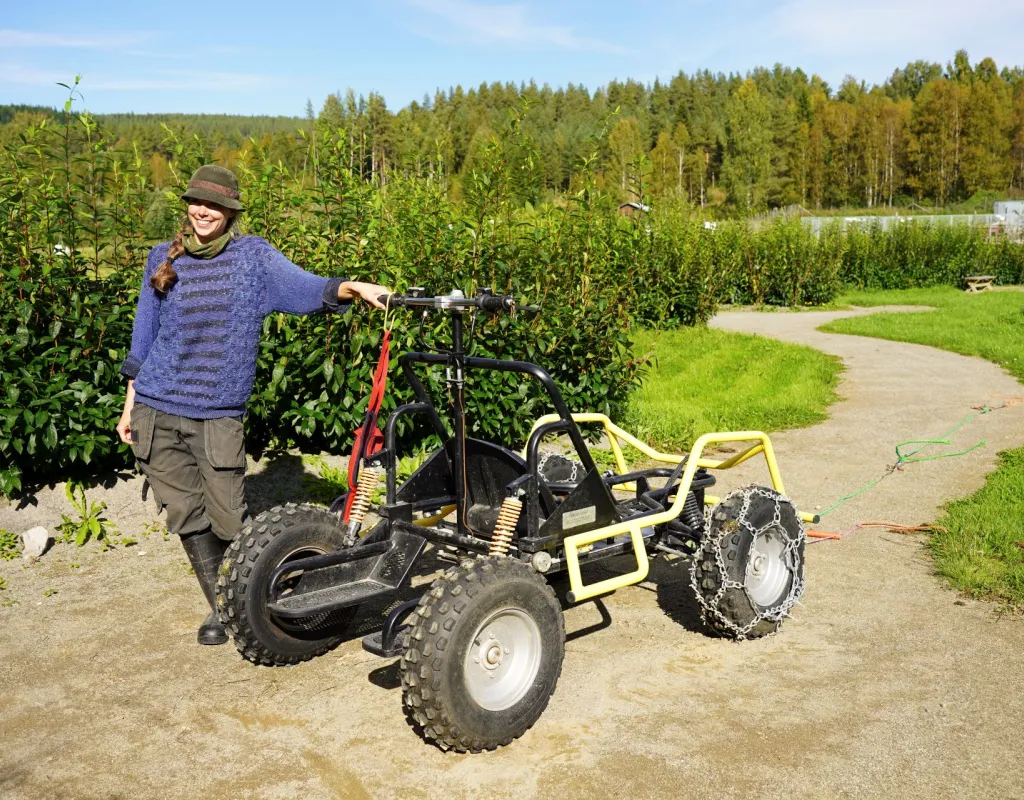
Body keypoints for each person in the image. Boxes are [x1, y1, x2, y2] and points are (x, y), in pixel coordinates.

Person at [115, 164, 389, 646]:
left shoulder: (253, 260)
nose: (203, 211)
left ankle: (243, 595)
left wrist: (352, 287)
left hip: (217, 412)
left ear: (231, 212)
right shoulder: (163, 258)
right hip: (156, 409)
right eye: (196, 202)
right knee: (185, 514)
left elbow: (306, 288)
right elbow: (144, 338)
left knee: (226, 516)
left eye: (214, 205)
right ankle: (224, 609)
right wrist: (128, 407)